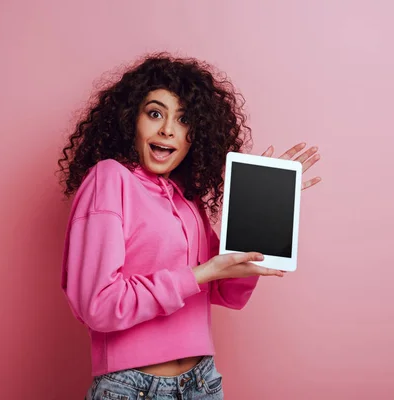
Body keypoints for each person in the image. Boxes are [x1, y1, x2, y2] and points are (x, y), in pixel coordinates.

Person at [58, 52, 321, 400]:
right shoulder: (110, 179)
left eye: (184, 120)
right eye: (155, 114)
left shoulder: (186, 198)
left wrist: (261, 207)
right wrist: (196, 275)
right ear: (128, 120)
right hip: (132, 388)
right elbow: (98, 305)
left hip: (202, 383)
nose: (168, 129)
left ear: (195, 136)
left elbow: (227, 291)